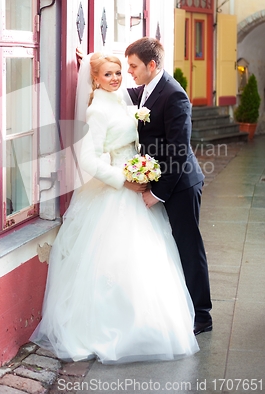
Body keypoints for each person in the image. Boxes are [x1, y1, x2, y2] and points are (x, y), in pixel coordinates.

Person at [30, 52, 199, 363]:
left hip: (136, 182)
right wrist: (124, 179)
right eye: (108, 74)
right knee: (114, 258)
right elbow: (89, 160)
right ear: (95, 79)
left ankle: (148, 321)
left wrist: (141, 171)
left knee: (145, 257)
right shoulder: (97, 111)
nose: (117, 78)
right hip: (116, 188)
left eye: (120, 71)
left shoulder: (122, 101)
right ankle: (111, 326)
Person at [125, 37, 212, 335]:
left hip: (181, 184)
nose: (129, 72)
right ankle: (182, 306)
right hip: (163, 180)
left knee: (189, 247)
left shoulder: (175, 95)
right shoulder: (149, 88)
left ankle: (202, 315)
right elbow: (128, 93)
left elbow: (178, 149)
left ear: (152, 65)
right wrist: (94, 68)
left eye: (133, 66)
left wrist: (157, 193)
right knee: (172, 246)